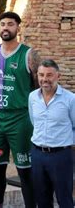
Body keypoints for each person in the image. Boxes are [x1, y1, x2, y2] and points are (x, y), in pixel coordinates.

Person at [0, 11, 39, 208]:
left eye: (10, 24)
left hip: (20, 118)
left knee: (25, 170)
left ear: (18, 28)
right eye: (2, 24)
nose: (5, 28)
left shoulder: (29, 54)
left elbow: (37, 88)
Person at [28, 59, 75, 208]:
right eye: (41, 75)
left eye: (49, 75)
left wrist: (64, 142)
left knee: (64, 199)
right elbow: (33, 121)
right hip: (37, 155)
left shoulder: (70, 99)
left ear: (58, 76)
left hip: (61, 156)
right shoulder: (32, 97)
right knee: (42, 200)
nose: (44, 79)